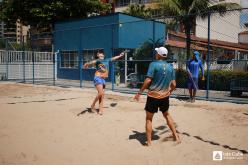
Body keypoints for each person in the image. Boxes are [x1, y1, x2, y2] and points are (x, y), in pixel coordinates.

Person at [134, 47, 180, 146]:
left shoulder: (153, 64)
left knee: (149, 118)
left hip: (153, 96)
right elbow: (174, 84)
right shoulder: (170, 67)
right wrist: (170, 92)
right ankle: (175, 136)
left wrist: (139, 93)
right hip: (165, 96)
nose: (156, 53)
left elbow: (148, 80)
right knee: (167, 115)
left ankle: (149, 142)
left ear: (159, 54)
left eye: (156, 52)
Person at [83, 50, 127, 115]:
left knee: (102, 95)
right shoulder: (97, 60)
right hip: (97, 77)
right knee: (100, 93)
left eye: (101, 53)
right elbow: (91, 62)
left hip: (103, 79)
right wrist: (86, 64)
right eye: (98, 54)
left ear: (103, 55)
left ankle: (100, 110)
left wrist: (120, 55)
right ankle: (92, 105)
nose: (99, 54)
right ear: (97, 55)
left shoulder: (107, 60)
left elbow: (114, 58)